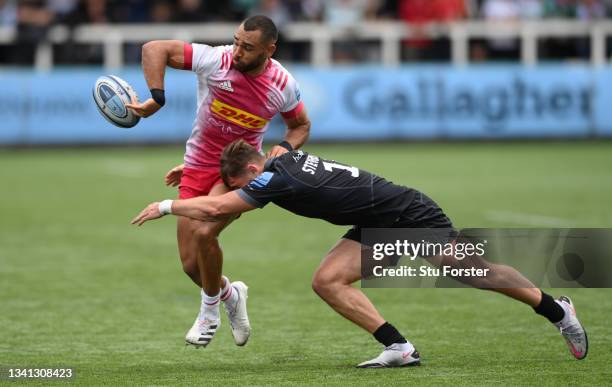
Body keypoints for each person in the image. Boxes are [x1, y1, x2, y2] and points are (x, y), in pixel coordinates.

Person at [131, 140, 588, 367]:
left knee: (472, 271)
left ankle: (555, 308)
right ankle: (399, 348)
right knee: (327, 280)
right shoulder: (279, 157)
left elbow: (215, 205)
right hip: (375, 221)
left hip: (408, 214)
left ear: (254, 171)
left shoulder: (274, 177)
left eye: (247, 184)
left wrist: (166, 206)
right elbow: (273, 149)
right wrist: (197, 167)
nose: (248, 193)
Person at [125, 16, 312, 348]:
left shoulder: (281, 83)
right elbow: (154, 49)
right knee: (189, 264)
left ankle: (209, 312)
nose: (237, 51)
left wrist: (281, 148)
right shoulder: (217, 59)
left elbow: (300, 126)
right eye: (236, 41)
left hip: (238, 171)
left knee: (205, 229)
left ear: (270, 50)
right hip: (198, 164)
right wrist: (157, 96)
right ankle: (230, 294)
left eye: (247, 47)